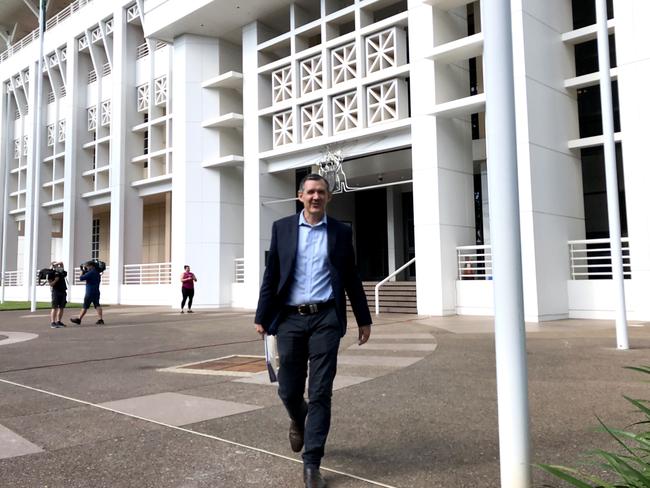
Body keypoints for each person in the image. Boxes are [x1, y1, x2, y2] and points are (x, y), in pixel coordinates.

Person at [254, 173, 372, 488]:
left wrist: (363, 318)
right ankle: (297, 417)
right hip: (290, 319)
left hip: (326, 319)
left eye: (321, 192)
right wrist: (262, 316)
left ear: (328, 197)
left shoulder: (340, 232)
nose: (316, 197)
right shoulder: (282, 229)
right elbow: (272, 275)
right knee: (289, 390)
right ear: (300, 196)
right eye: (310, 192)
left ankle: (312, 464)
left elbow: (350, 276)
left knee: (321, 391)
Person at [70, 261, 104, 325]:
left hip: (89, 292)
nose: (87, 268)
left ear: (91, 266)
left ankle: (79, 319)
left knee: (85, 306)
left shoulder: (91, 272)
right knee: (97, 305)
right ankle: (101, 319)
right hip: (96, 291)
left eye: (87, 266)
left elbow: (81, 278)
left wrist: (82, 271)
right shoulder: (97, 273)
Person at [47, 261, 67, 329]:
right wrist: (55, 280)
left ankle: (59, 321)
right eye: (55, 265)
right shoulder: (50, 273)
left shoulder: (61, 272)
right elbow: (51, 284)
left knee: (62, 308)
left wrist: (57, 263)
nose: (57, 266)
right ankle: (53, 322)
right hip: (56, 292)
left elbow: (61, 263)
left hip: (63, 291)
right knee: (54, 307)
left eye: (57, 265)